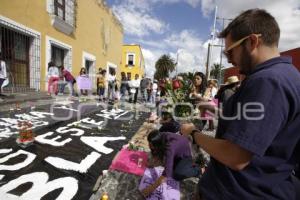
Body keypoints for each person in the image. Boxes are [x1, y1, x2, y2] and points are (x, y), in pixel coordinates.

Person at [181, 9, 300, 200]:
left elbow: (236, 156)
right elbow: (255, 124)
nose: (229, 58)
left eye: (230, 51)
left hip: (238, 191)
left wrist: (193, 133)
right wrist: (217, 110)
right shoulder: (287, 76)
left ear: (252, 41)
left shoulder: (268, 81)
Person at [142, 130, 200, 197]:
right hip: (177, 149)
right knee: (167, 163)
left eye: (151, 145)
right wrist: (152, 163)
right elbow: (156, 152)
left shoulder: (170, 148)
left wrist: (150, 189)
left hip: (184, 154)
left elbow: (166, 174)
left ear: (158, 144)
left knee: (176, 175)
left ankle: (198, 170)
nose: (149, 146)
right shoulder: (160, 136)